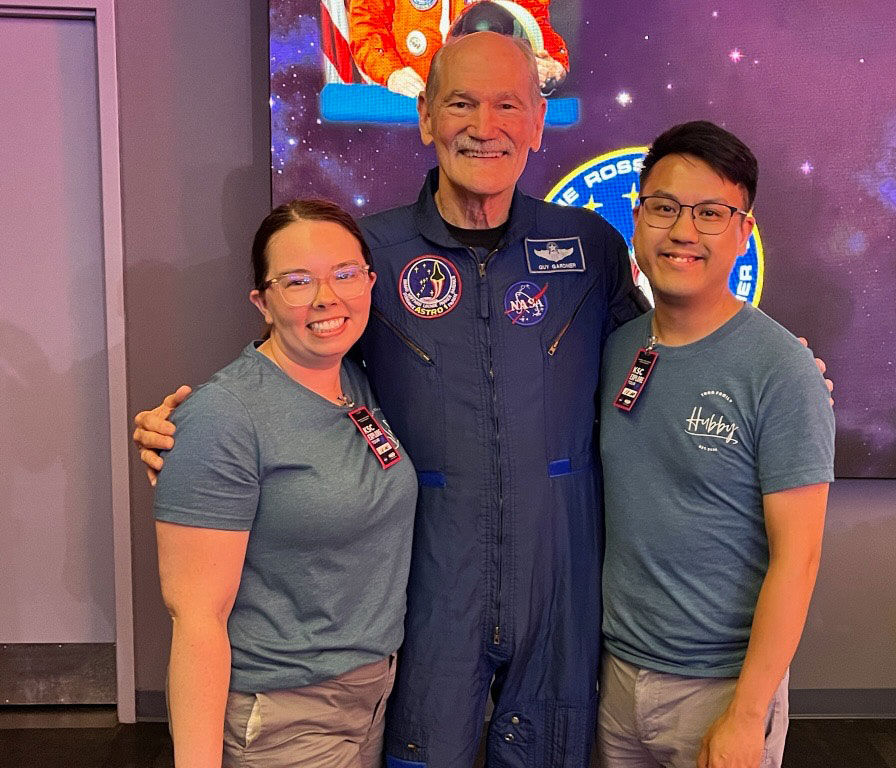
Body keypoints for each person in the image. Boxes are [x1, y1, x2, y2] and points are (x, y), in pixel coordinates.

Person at [135, 33, 830, 768]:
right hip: (429, 581)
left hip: (559, 583)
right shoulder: (374, 251)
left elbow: (664, 351)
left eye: (508, 106)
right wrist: (196, 428)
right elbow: (302, 358)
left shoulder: (587, 245)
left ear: (538, 122)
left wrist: (785, 369)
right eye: (461, 103)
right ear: (426, 117)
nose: (484, 125)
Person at [596, 122, 835, 768]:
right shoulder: (616, 348)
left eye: (709, 213)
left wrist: (748, 714)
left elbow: (800, 557)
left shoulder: (779, 368)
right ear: (638, 217)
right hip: (617, 678)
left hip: (721, 689)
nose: (682, 231)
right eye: (664, 208)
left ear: (743, 232)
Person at [153, 199, 417, 767]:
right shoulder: (225, 416)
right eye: (297, 282)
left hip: (367, 699)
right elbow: (196, 620)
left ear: (370, 281)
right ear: (263, 302)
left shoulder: (355, 378)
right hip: (282, 718)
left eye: (345, 274)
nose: (327, 298)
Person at [348, 0, 568, 97]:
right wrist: (392, 73)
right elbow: (367, 29)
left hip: (487, 99)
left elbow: (536, 24)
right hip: (415, 101)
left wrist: (553, 66)